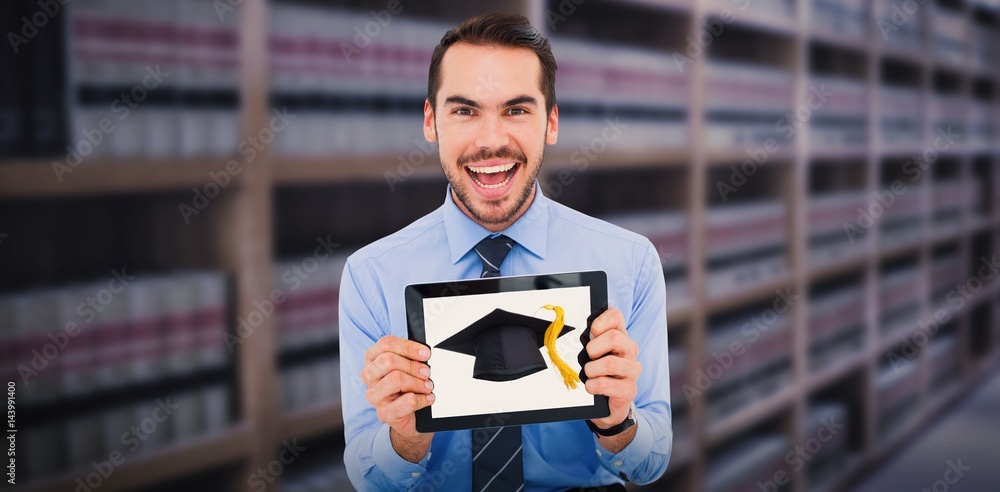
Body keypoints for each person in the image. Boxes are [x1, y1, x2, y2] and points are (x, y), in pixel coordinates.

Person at [339, 12, 672, 491]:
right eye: (465, 110)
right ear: (431, 122)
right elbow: (369, 481)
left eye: (516, 110)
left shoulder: (630, 262)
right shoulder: (371, 276)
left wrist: (618, 420)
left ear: (551, 122)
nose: (491, 140)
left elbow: (650, 463)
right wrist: (405, 437)